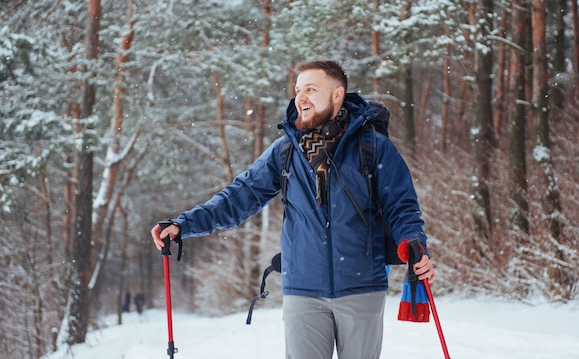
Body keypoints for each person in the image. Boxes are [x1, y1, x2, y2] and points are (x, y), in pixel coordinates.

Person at [151, 60, 435, 359]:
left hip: (361, 285)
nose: (301, 97)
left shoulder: (373, 147)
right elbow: (241, 195)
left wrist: (413, 244)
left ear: (337, 94)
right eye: (298, 90)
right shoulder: (286, 150)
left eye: (311, 89)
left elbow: (402, 206)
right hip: (303, 288)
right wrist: (185, 224)